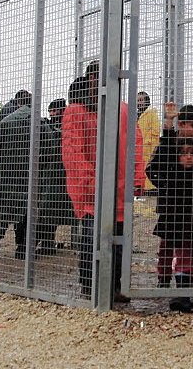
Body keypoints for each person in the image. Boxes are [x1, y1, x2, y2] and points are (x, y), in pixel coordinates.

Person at [62, 64, 147, 302]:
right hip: (92, 191)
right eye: (95, 77)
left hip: (117, 189)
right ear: (89, 80)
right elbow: (73, 153)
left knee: (119, 240)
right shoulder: (77, 111)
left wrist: (137, 179)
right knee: (92, 238)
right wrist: (89, 183)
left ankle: (114, 285)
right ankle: (90, 286)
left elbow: (135, 147)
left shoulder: (123, 111)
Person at [147, 101, 193, 313]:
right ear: (182, 124)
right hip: (172, 208)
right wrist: (166, 186)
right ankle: (164, 281)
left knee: (191, 248)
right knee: (169, 245)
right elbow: (153, 168)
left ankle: (191, 288)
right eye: (192, 126)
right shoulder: (171, 146)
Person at [0, 94, 32, 259]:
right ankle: (22, 248)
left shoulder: (5, 122)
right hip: (28, 175)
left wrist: (4, 163)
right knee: (25, 210)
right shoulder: (37, 122)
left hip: (5, 175)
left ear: (17, 102)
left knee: (0, 209)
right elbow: (48, 148)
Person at [36, 98, 72, 255]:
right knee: (49, 211)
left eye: (54, 111)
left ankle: (46, 243)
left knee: (51, 211)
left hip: (60, 175)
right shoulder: (50, 127)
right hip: (53, 175)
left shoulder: (64, 127)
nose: (52, 114)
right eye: (50, 111)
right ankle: (47, 243)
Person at [136, 91, 160, 193]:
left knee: (147, 169)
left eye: (141, 100)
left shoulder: (151, 114)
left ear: (147, 101)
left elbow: (155, 131)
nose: (139, 103)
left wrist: (146, 143)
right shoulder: (136, 116)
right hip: (137, 149)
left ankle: (149, 190)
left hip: (147, 149)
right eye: (137, 100)